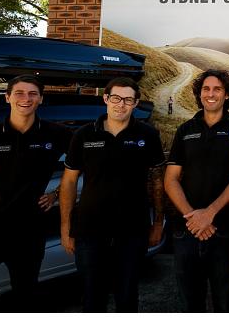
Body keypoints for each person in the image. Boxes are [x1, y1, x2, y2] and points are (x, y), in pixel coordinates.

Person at [0, 75, 72, 312]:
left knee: (24, 299)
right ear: (7, 97)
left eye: (32, 94)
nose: (25, 99)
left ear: (40, 99)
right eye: (19, 93)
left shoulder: (57, 134)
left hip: (30, 231)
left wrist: (56, 194)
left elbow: (79, 170)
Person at [59, 77, 165, 312]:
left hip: (132, 230)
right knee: (92, 299)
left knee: (127, 297)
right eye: (116, 98)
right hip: (89, 230)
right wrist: (66, 226)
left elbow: (158, 180)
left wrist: (158, 222)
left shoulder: (148, 135)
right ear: (106, 99)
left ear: (136, 103)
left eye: (128, 100)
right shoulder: (84, 135)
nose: (121, 104)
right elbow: (68, 182)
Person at [163, 69, 229, 312]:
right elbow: (171, 179)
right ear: (199, 94)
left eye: (217, 89)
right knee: (191, 306)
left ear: (226, 95)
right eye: (206, 89)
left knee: (227, 306)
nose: (210, 94)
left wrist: (209, 213)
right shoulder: (185, 130)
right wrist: (194, 217)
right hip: (187, 232)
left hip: (223, 230)